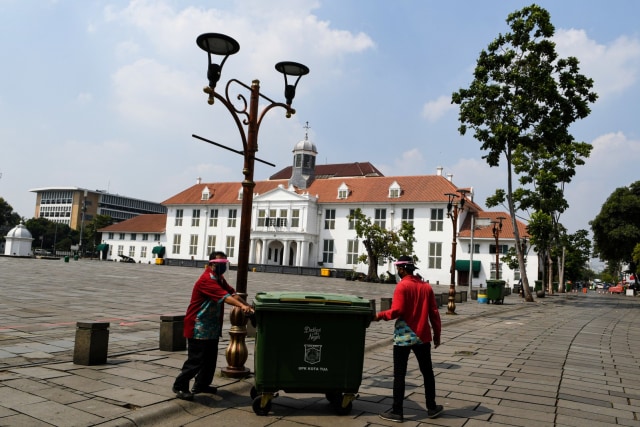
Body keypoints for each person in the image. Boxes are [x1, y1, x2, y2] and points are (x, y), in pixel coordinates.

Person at [172, 251, 253, 400]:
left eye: (224, 264)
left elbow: (232, 293)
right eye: (220, 264)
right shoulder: (206, 280)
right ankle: (180, 386)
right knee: (196, 360)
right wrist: (242, 307)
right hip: (199, 326)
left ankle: (201, 384)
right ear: (211, 264)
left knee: (210, 359)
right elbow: (226, 298)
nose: (223, 267)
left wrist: (247, 305)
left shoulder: (219, 278)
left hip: (211, 326)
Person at [373, 255, 443, 423]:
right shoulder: (426, 287)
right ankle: (432, 407)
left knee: (399, 374)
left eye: (398, 269)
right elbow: (434, 313)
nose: (397, 271)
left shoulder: (402, 286)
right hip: (423, 335)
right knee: (427, 373)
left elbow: (397, 310)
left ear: (402, 269)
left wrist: (379, 315)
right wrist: (437, 335)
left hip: (404, 335)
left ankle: (397, 412)